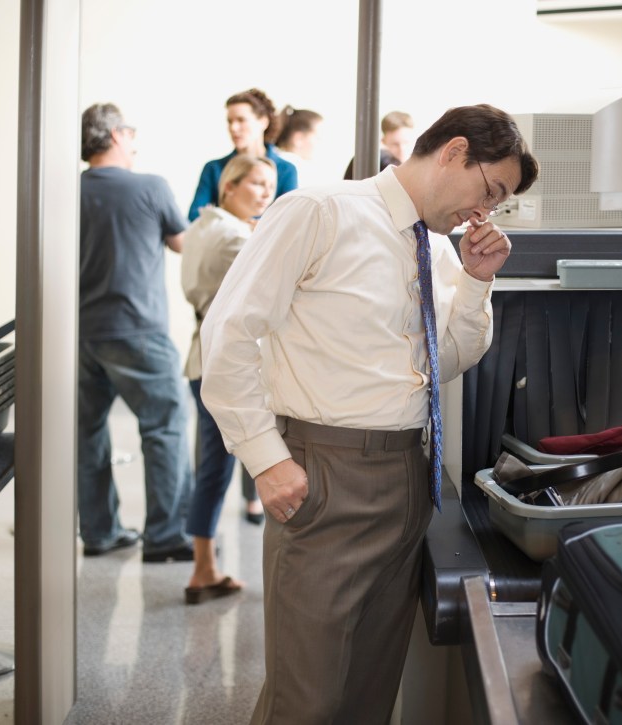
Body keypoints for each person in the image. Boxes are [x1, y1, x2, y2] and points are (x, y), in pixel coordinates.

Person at [200, 103, 539, 723]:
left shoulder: (432, 246)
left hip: (407, 477)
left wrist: (477, 281)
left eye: (499, 204)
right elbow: (229, 333)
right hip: (326, 475)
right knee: (307, 699)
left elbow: (449, 358)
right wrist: (266, 458)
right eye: (490, 191)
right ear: (455, 151)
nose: (484, 213)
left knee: (368, 693)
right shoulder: (320, 211)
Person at [78, 103, 194, 562]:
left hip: (80, 333)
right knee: (165, 428)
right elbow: (184, 244)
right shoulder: (150, 186)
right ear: (118, 135)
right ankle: (166, 537)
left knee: (87, 433)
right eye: (132, 133)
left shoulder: (65, 191)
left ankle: (100, 533)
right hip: (138, 331)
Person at [181, 154, 277, 604]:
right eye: (255, 183)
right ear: (229, 186)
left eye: (269, 184)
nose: (264, 192)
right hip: (227, 364)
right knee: (266, 465)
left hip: (202, 358)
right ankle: (208, 569)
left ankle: (204, 566)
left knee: (212, 471)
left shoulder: (203, 226)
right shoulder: (236, 237)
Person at [188, 88, 297, 221]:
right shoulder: (213, 168)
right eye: (230, 121)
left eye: (241, 120)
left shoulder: (286, 170)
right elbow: (195, 217)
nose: (233, 128)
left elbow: (289, 219)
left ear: (263, 122)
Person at [343, 109, 415, 180]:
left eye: (406, 143)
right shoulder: (370, 162)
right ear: (383, 142)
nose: (402, 150)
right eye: (395, 144)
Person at [274, 105, 323, 188]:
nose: (320, 142)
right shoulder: (296, 167)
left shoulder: (276, 159)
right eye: (317, 137)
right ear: (298, 138)